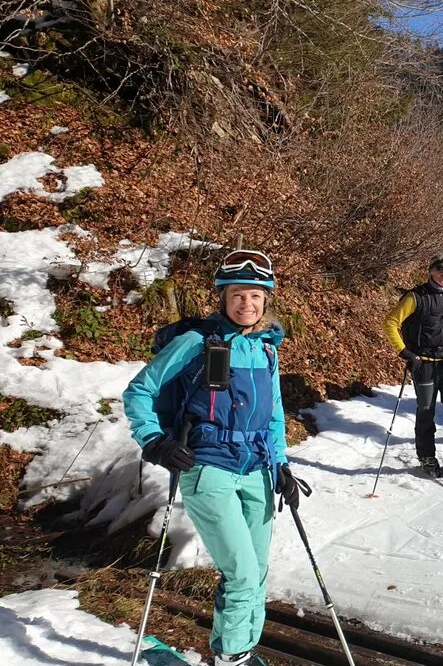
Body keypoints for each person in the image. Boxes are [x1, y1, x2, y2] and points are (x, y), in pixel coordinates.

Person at [124, 250, 304, 666]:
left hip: (257, 469)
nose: (247, 303)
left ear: (266, 299)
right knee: (241, 573)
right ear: (223, 298)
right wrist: (154, 441)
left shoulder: (266, 349)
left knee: (256, 572)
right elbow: (139, 391)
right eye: (237, 295)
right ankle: (233, 657)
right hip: (207, 468)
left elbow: (274, 415)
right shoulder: (196, 343)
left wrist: (281, 465)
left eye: (255, 295)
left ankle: (237, 650)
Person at [383, 254, 443, 477]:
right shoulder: (415, 297)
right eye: (440, 269)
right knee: (426, 412)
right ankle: (427, 456)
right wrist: (406, 353)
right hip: (424, 364)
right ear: (431, 270)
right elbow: (390, 322)